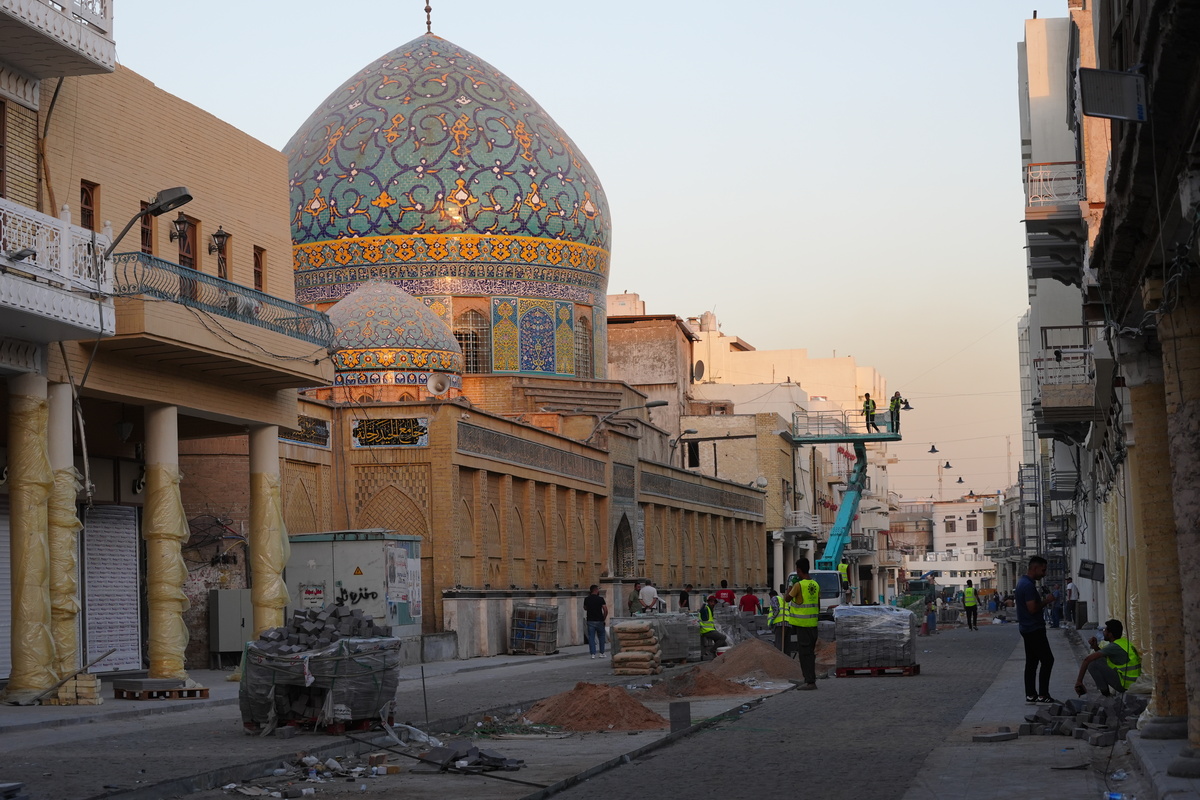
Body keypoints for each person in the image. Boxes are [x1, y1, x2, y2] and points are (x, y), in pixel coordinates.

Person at [1016, 555, 1059, 704]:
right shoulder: (1028, 586)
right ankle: (1043, 694)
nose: (1044, 574)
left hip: (1026, 628)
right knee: (1048, 660)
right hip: (1034, 628)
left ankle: (1030, 694)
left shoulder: (1022, 583)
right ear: (1035, 568)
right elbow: (1032, 608)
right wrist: (1047, 600)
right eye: (1043, 570)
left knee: (1032, 661)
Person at [1074, 619, 1141, 697]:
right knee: (1098, 660)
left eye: (1105, 630)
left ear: (1110, 634)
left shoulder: (1113, 646)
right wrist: (1095, 647)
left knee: (1092, 664)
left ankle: (1106, 695)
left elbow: (1087, 660)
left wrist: (1079, 681)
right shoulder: (1123, 642)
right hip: (1132, 682)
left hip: (1125, 684)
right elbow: (1105, 657)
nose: (1103, 632)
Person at [785, 556, 821, 690]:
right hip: (813, 625)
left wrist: (790, 586)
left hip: (802, 625)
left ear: (799, 570)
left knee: (804, 655)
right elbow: (818, 604)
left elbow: (787, 598)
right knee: (810, 654)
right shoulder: (816, 585)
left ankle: (810, 682)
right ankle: (809, 679)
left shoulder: (798, 585)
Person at [583, 584, 608, 659]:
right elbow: (605, 609)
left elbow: (585, 608)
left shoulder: (587, 599)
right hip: (599, 620)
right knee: (601, 637)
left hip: (590, 620)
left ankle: (593, 654)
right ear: (596, 590)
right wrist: (604, 618)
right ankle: (602, 653)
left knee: (591, 637)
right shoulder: (600, 599)